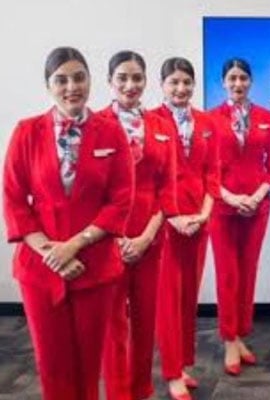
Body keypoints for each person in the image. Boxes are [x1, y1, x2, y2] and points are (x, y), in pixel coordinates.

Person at [2, 46, 134, 400]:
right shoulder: (27, 132)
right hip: (40, 269)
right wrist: (52, 252)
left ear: (91, 81)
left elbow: (121, 200)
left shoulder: (111, 132)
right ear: (48, 86)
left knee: (89, 366)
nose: (71, 87)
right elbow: (14, 200)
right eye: (61, 80)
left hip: (94, 267)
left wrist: (73, 246)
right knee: (53, 366)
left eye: (79, 77)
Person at [98, 50, 178, 400]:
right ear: (110, 83)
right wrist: (113, 237)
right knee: (113, 328)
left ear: (146, 82)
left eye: (137, 78)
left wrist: (147, 236)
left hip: (150, 238)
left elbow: (168, 187)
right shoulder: (96, 125)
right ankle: (118, 394)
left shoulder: (162, 126)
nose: (130, 85)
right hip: (107, 240)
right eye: (123, 78)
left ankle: (141, 390)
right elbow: (91, 191)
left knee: (146, 322)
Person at [208, 58, 270, 375]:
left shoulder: (266, 117)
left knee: (248, 271)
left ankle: (240, 335)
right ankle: (229, 340)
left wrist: (254, 197)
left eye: (243, 78)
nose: (238, 84)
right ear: (223, 82)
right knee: (227, 274)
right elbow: (206, 170)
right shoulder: (210, 119)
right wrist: (230, 197)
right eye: (232, 78)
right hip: (223, 208)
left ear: (250, 82)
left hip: (257, 207)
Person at [152, 57, 220, 400]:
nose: (181, 89)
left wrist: (204, 214)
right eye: (174, 82)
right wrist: (172, 216)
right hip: (166, 225)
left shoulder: (207, 122)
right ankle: (171, 373)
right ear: (162, 85)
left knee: (188, 297)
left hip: (198, 222)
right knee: (168, 300)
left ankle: (183, 364)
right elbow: (149, 180)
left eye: (186, 82)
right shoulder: (151, 121)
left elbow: (212, 174)